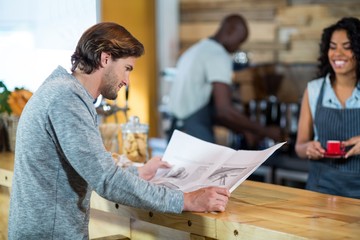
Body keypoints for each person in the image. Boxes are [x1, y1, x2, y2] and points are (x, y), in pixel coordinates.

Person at [8, 22, 230, 239]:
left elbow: (91, 167)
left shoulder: (61, 91)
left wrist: (137, 174)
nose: (127, 80)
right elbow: (107, 180)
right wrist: (187, 200)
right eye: (127, 69)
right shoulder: (67, 99)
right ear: (105, 58)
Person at [167, 14, 281, 147]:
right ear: (230, 30)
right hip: (193, 135)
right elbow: (224, 111)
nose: (238, 47)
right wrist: (266, 131)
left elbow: (212, 110)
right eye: (239, 41)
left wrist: (244, 129)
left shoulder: (195, 50)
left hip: (175, 131)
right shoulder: (218, 55)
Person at [295, 17, 360, 198]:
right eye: (333, 47)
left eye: (347, 47)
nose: (337, 53)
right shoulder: (314, 90)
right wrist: (308, 148)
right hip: (321, 189)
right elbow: (299, 146)